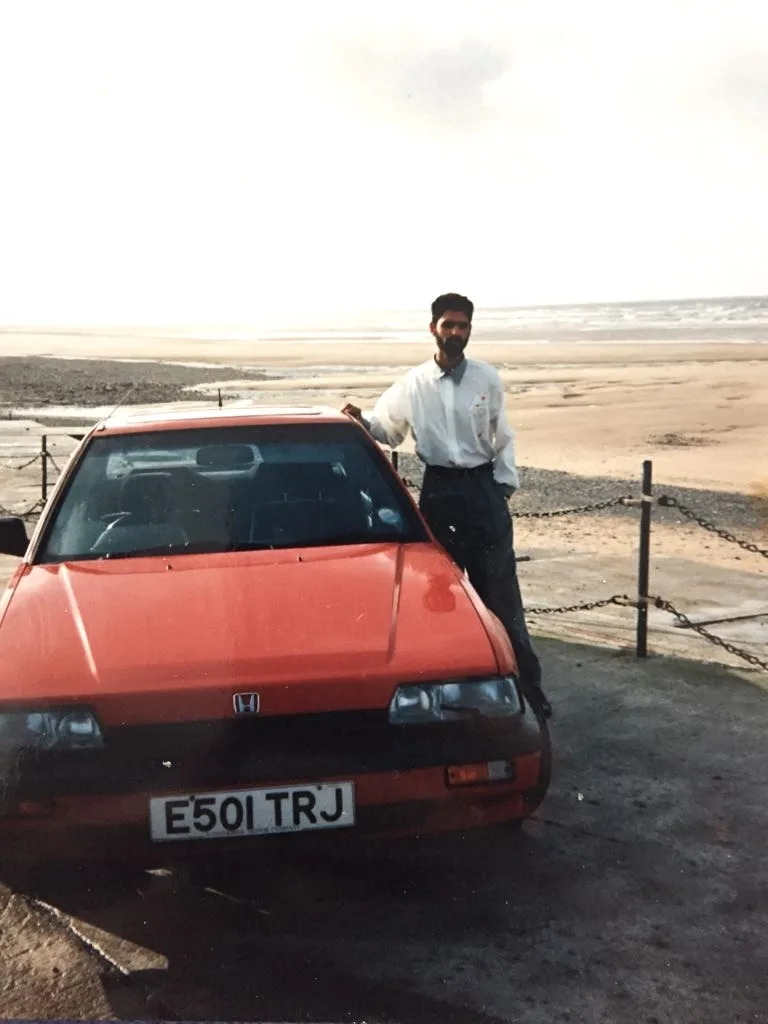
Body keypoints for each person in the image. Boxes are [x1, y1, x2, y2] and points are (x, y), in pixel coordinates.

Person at [342, 292, 552, 719]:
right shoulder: (414, 383)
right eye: (449, 325)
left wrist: (501, 490)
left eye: (463, 326)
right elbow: (388, 429)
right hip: (439, 493)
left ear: (470, 330)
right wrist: (360, 420)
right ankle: (454, 695)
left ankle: (529, 692)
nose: (456, 333)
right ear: (433, 328)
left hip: (482, 490)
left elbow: (502, 436)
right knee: (444, 597)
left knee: (502, 598)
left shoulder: (486, 379)